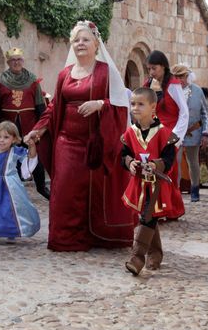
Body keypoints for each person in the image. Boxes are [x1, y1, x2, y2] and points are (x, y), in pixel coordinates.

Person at [24, 21, 133, 252]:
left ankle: (96, 236)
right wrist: (39, 129)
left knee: (92, 191)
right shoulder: (65, 74)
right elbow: (54, 107)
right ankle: (66, 239)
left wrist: (100, 104)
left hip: (95, 143)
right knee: (65, 190)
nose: (80, 44)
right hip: (66, 141)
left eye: (85, 40)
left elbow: (121, 105)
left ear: (96, 44)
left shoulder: (106, 72)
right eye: (76, 40)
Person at [121, 87, 178, 275]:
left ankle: (137, 258)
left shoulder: (164, 133)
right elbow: (123, 155)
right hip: (139, 184)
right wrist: (129, 163)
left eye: (140, 104)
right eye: (132, 104)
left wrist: (156, 164)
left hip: (156, 186)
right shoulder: (130, 132)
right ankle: (156, 253)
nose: (135, 108)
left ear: (153, 107)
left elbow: (169, 159)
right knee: (147, 216)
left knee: (147, 216)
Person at [0, 47, 50, 200]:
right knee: (10, 159)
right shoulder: (0, 81)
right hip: (7, 128)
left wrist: (42, 128)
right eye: (13, 60)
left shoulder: (33, 80)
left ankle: (42, 188)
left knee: (35, 157)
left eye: (19, 59)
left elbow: (40, 106)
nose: (16, 62)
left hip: (29, 126)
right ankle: (12, 191)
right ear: (8, 62)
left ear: (23, 61)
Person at [144, 51, 188, 218]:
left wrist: (176, 138)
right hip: (153, 133)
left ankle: (170, 209)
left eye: (154, 68)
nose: (151, 73)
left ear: (163, 66)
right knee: (153, 171)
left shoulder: (174, 85)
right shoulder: (148, 83)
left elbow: (184, 113)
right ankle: (157, 209)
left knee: (166, 171)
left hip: (170, 134)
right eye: (149, 69)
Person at [171, 65, 208, 202]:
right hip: (176, 134)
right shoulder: (171, 92)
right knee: (176, 161)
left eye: (182, 76)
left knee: (193, 162)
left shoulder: (197, 91)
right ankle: (176, 191)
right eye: (176, 77)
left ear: (187, 76)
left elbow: (205, 113)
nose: (179, 80)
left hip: (194, 132)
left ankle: (195, 189)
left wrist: (205, 133)